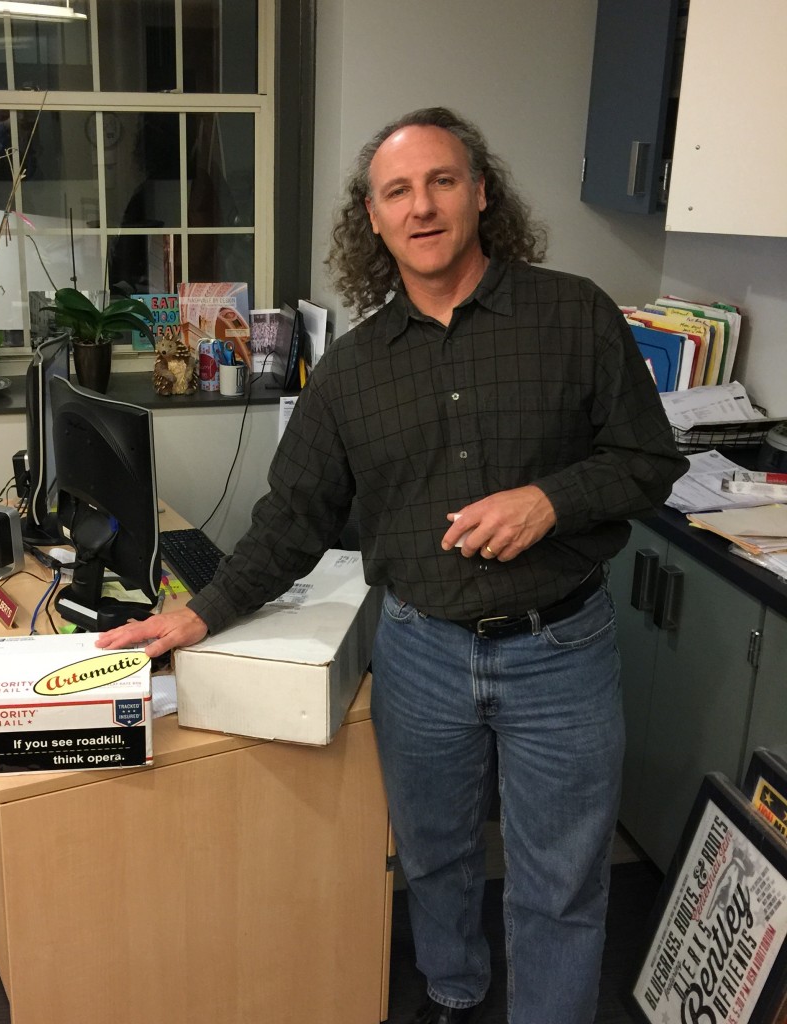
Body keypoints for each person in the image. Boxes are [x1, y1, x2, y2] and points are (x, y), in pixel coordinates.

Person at [97, 107, 688, 1023]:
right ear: (372, 218)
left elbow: (650, 461)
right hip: (420, 655)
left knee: (561, 882)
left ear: (481, 193)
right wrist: (197, 615)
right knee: (435, 855)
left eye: (442, 181)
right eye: (397, 191)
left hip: (563, 649)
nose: (422, 207)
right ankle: (455, 992)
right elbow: (290, 524)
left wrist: (551, 499)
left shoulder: (575, 315)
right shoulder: (350, 373)